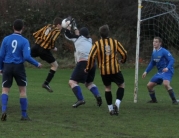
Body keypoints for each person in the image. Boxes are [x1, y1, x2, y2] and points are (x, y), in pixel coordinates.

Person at [0, 19, 42, 121]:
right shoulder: (24, 41)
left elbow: (1, 55)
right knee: (22, 91)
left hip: (7, 66)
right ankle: (24, 115)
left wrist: (1, 68)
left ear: (13, 27)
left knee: (5, 90)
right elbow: (27, 56)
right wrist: (37, 64)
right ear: (22, 28)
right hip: (19, 67)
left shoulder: (6, 39)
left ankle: (4, 110)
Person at [85, 24, 127, 115]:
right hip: (115, 69)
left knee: (108, 88)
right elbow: (124, 53)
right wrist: (123, 60)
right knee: (122, 85)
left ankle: (111, 109)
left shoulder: (97, 44)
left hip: (104, 71)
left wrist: (88, 68)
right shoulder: (114, 42)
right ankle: (117, 103)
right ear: (108, 33)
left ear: (100, 34)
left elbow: (91, 56)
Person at [63, 18, 102, 108]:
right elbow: (78, 34)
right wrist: (75, 26)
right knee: (89, 83)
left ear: (81, 34)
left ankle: (80, 99)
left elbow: (67, 35)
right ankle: (97, 95)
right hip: (93, 63)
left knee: (72, 82)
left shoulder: (78, 39)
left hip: (83, 62)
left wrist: (68, 26)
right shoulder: (89, 40)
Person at [142, 37, 178, 104]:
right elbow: (152, 63)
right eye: (153, 41)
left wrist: (167, 68)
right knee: (149, 86)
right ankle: (154, 100)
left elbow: (172, 60)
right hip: (160, 72)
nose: (154, 43)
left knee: (166, 84)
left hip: (167, 71)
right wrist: (146, 71)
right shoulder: (154, 52)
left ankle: (174, 100)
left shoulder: (164, 51)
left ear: (160, 43)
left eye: (156, 42)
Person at [31, 17, 63, 92]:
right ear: (58, 25)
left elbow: (36, 34)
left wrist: (40, 41)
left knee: (24, 56)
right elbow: (52, 40)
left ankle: (5, 67)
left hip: (36, 46)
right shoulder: (57, 30)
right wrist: (53, 47)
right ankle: (46, 83)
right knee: (55, 65)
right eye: (61, 25)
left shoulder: (48, 26)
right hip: (44, 50)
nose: (62, 27)